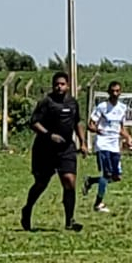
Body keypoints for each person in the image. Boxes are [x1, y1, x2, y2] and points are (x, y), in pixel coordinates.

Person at [21, 72, 88, 232]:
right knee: (41, 183)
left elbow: (77, 122)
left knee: (69, 181)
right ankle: (27, 209)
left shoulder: (73, 103)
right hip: (45, 149)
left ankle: (70, 220)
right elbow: (34, 122)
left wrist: (83, 142)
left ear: (68, 86)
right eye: (57, 84)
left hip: (67, 149)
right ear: (53, 86)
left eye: (62, 84)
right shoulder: (46, 102)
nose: (59, 87)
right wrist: (49, 135)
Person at [82, 81, 132, 212]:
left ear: (120, 92)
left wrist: (128, 138)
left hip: (114, 145)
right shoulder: (102, 107)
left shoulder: (122, 108)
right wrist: (97, 130)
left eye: (117, 91)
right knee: (107, 174)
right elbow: (90, 125)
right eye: (112, 91)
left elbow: (121, 128)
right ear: (108, 92)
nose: (115, 94)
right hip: (103, 144)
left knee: (116, 177)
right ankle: (98, 204)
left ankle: (91, 181)